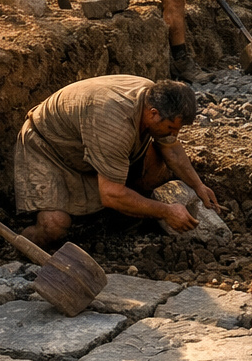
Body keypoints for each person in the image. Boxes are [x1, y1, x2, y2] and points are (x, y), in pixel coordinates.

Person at [15, 76, 220, 246]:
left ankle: (113, 219)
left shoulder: (154, 98)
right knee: (54, 226)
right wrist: (166, 211)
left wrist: (198, 185)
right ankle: (18, 245)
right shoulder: (114, 124)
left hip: (90, 144)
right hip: (49, 148)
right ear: (153, 114)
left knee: (156, 163)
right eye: (171, 128)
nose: (174, 134)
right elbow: (111, 194)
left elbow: (172, 149)